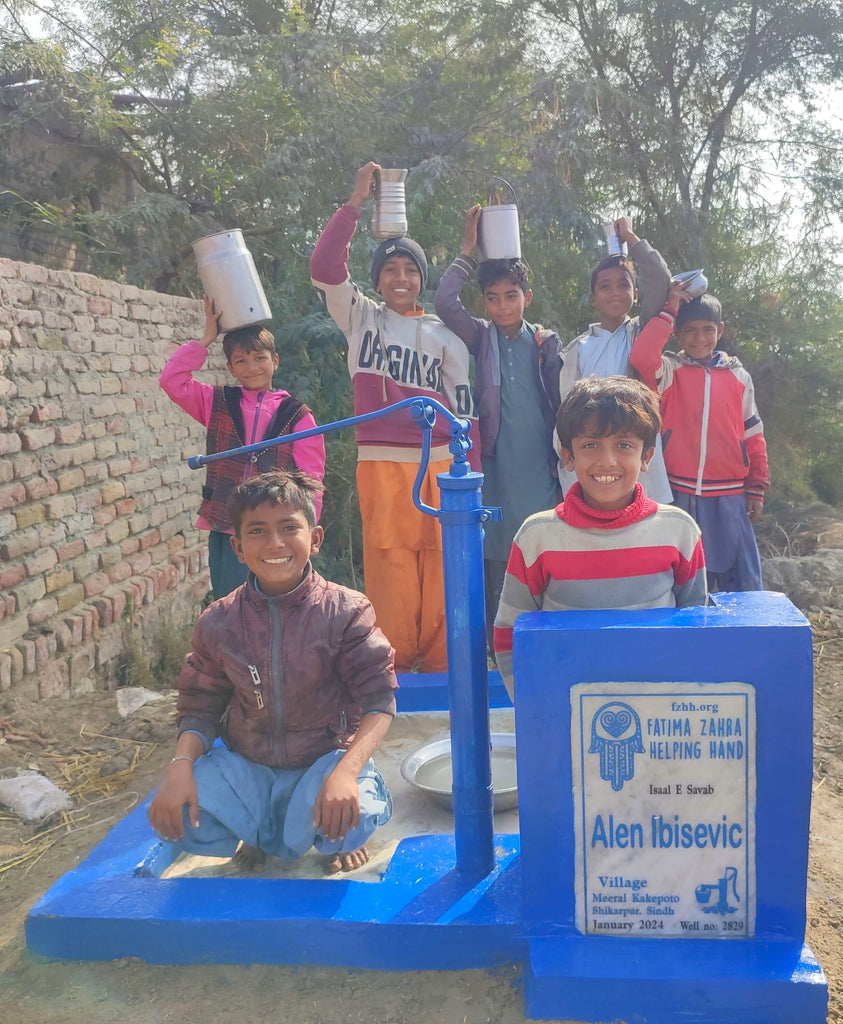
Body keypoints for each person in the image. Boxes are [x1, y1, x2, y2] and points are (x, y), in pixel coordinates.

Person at [148, 470, 397, 874]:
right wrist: (180, 768)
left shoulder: (346, 612)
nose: (275, 543)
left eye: (289, 528)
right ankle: (259, 832)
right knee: (177, 815)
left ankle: (331, 837)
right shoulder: (219, 622)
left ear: (314, 539)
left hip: (321, 764)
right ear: (239, 548)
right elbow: (200, 708)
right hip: (249, 767)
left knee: (355, 813)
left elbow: (380, 701)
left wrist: (346, 772)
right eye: (258, 531)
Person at [310, 161, 479, 673]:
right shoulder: (361, 317)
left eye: (410, 270)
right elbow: (324, 266)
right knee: (391, 566)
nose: (400, 278)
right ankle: (395, 670)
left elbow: (467, 413)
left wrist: (469, 473)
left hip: (441, 465)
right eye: (390, 270)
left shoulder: (444, 337)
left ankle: (447, 669)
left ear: (421, 279)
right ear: (378, 279)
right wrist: (356, 201)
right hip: (382, 464)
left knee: (445, 564)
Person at [494, 376, 707, 699]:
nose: (607, 461)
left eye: (624, 445)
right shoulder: (537, 537)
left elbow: (696, 627)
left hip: (656, 707)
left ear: (647, 457)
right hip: (561, 708)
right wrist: (531, 706)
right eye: (590, 445)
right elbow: (511, 634)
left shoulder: (679, 531)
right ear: (568, 456)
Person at [435, 204, 563, 639]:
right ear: (483, 302)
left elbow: (559, 399)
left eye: (511, 296)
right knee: (496, 550)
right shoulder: (480, 337)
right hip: (494, 461)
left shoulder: (544, 342)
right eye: (492, 298)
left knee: (541, 542)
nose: (502, 305)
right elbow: (443, 302)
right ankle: (498, 642)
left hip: (539, 461)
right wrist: (467, 251)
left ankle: (544, 634)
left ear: (527, 297)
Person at [160, 297, 326, 599]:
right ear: (231, 368)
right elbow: (172, 381)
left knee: (273, 597)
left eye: (260, 358)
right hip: (226, 523)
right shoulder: (216, 402)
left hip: (274, 527)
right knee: (230, 599)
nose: (252, 367)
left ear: (275, 361)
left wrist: (307, 525)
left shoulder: (298, 415)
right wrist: (205, 340)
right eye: (241, 361)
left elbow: (311, 476)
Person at [629, 287, 769, 592]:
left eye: (708, 330)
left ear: (720, 330)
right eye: (689, 331)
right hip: (679, 491)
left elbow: (753, 435)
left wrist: (756, 487)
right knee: (684, 579)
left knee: (740, 582)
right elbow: (641, 356)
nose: (699, 338)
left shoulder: (739, 376)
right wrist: (669, 310)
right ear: (677, 333)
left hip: (729, 494)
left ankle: (738, 638)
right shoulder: (670, 370)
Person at [557, 218, 673, 502]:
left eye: (623, 285)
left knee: (642, 527)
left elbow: (660, 278)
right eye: (605, 286)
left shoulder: (640, 333)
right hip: (594, 461)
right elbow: (566, 411)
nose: (615, 292)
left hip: (635, 453)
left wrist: (631, 239)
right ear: (594, 297)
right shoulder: (576, 350)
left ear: (635, 294)